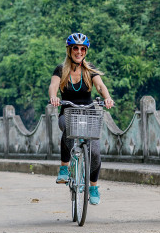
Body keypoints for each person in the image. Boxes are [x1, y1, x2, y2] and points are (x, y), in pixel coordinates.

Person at [48, 32, 114, 206]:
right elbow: (53, 86)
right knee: (68, 128)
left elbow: (100, 86)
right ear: (69, 50)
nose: (79, 51)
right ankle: (64, 166)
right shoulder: (61, 70)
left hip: (89, 113)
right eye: (75, 48)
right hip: (68, 113)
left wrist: (107, 98)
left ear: (85, 51)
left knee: (95, 152)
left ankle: (93, 186)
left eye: (82, 49)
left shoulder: (89, 69)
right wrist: (54, 97)